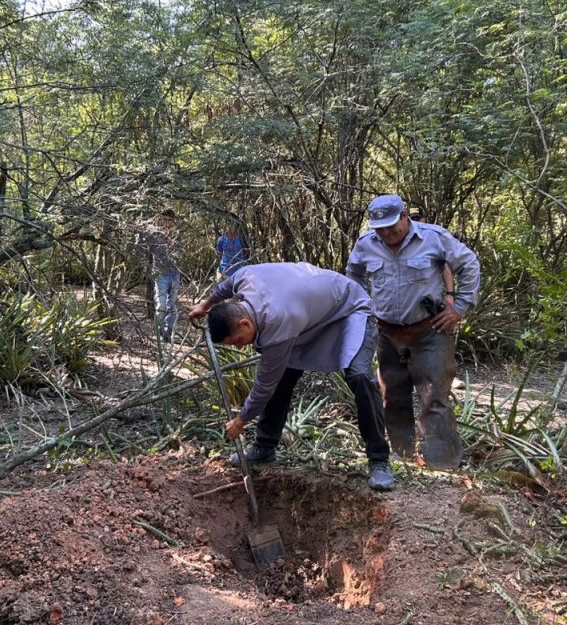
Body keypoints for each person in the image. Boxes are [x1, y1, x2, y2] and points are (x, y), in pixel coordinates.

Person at [188, 262, 394, 491]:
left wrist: (241, 420)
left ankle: (379, 460)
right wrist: (205, 305)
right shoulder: (245, 278)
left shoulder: (276, 320)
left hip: (351, 311)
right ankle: (265, 447)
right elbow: (226, 286)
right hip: (311, 319)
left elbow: (264, 385)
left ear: (244, 323)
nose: (239, 347)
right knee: (282, 376)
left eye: (237, 341)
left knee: (360, 376)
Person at [347, 194, 481, 470]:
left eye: (391, 227)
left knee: (434, 397)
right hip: (386, 333)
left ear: (405, 217)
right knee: (392, 396)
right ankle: (403, 458)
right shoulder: (366, 244)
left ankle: (441, 465)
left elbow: (469, 264)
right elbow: (354, 275)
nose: (386, 234)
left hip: (428, 331)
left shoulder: (434, 238)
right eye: (380, 229)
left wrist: (460, 307)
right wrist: (363, 308)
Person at [142, 209, 182, 341]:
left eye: (169, 220)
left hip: (175, 273)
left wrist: (171, 241)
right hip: (160, 273)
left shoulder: (178, 235)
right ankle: (159, 331)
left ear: (174, 221)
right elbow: (143, 246)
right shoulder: (155, 234)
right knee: (161, 305)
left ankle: (168, 333)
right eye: (164, 220)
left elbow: (180, 252)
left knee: (172, 305)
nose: (167, 222)